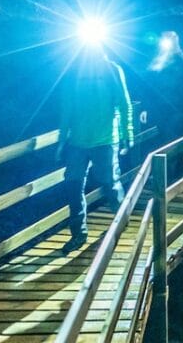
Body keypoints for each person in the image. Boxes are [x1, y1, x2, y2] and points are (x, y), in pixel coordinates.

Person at [57, 48, 134, 252]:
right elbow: (66, 108)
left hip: (105, 139)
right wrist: (61, 140)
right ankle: (78, 234)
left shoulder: (112, 69)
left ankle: (121, 223)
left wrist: (128, 135)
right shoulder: (72, 72)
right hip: (77, 141)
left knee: (110, 183)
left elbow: (125, 104)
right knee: (73, 185)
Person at [146, 31, 183, 179]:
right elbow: (150, 88)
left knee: (170, 141)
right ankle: (179, 171)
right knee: (165, 139)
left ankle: (167, 177)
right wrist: (145, 108)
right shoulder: (158, 63)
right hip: (160, 111)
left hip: (178, 110)